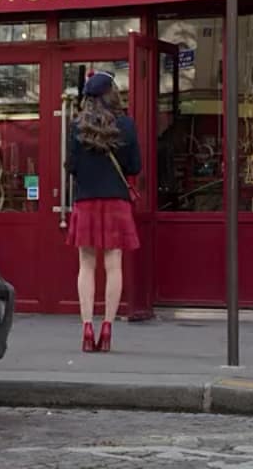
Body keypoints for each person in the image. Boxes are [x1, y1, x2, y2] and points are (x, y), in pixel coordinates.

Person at [66, 70, 141, 353]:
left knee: (86, 264)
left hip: (86, 200)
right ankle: (108, 326)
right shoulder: (127, 125)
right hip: (116, 201)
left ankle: (87, 326)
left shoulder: (77, 126)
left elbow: (72, 166)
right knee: (114, 264)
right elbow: (134, 166)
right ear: (112, 94)